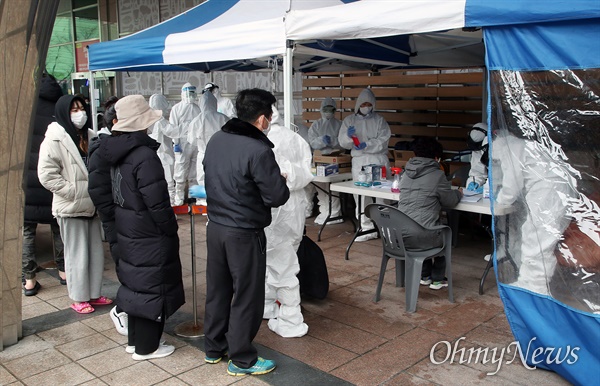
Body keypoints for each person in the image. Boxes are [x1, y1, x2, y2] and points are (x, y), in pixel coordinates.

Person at [202, 88, 289, 376]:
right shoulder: (258, 150)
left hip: (215, 227)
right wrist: (281, 180)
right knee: (246, 294)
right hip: (243, 232)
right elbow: (277, 196)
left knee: (218, 290)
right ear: (263, 119)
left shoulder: (217, 139)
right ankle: (242, 358)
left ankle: (213, 348)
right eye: (271, 115)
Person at [100, 95, 184, 360]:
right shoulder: (144, 155)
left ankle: (135, 342)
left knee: (136, 285)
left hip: (129, 228)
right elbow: (157, 201)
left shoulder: (117, 151)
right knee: (151, 285)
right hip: (149, 232)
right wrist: (170, 227)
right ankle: (147, 348)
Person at [38, 94, 110, 314]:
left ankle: (94, 293)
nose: (80, 114)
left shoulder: (90, 135)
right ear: (64, 112)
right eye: (74, 110)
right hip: (71, 206)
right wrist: (73, 191)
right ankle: (79, 297)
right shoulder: (55, 138)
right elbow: (46, 174)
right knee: (76, 254)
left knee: (95, 253)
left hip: (92, 204)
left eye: (81, 108)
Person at [492, 131, 577, 295]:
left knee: (537, 241)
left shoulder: (509, 149)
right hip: (559, 192)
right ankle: (528, 282)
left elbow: (512, 183)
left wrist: (501, 200)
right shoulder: (523, 145)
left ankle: (536, 288)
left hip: (549, 194)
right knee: (538, 238)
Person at [263, 105, 314, 338]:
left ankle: (290, 318)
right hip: (293, 207)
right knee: (283, 260)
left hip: (273, 208)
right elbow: (306, 173)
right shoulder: (294, 138)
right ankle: (272, 307)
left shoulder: (259, 141)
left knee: (275, 262)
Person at [396, 137, 463, 289]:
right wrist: (459, 193)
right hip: (422, 236)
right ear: (436, 157)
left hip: (400, 235)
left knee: (423, 224)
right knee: (440, 231)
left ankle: (424, 276)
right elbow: (450, 201)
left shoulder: (406, 173)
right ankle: (438, 278)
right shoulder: (437, 175)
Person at [87, 97, 128, 335]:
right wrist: (119, 216)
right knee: (126, 266)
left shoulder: (119, 146)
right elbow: (99, 191)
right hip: (117, 221)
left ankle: (130, 309)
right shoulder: (103, 149)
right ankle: (121, 310)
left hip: (126, 220)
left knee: (134, 267)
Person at [22, 73, 66, 296]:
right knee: (58, 226)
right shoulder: (59, 103)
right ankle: (64, 272)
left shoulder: (22, 104)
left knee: (27, 230)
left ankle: (29, 280)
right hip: (52, 174)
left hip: (25, 180)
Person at [338, 88, 391, 241]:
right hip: (360, 161)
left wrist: (367, 144)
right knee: (361, 195)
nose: (366, 106)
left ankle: (386, 229)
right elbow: (343, 142)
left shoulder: (380, 120)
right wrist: (348, 137)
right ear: (358, 104)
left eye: (369, 103)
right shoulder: (349, 121)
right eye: (363, 103)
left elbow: (384, 139)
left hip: (378, 159)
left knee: (383, 196)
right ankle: (366, 227)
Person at [308, 97, 343, 225]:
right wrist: (322, 140)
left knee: (333, 187)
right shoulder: (316, 125)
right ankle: (324, 211)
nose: (328, 111)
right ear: (321, 109)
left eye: (331, 109)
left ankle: (334, 213)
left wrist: (333, 141)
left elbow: (343, 143)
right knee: (321, 187)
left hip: (335, 159)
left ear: (335, 110)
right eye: (325, 109)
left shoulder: (339, 124)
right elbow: (312, 142)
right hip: (320, 159)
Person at [187, 90, 229, 186]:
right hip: (221, 156)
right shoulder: (223, 118)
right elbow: (230, 138)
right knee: (221, 181)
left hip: (203, 154)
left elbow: (191, 140)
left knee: (202, 182)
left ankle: (203, 201)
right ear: (214, 103)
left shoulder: (196, 120)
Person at [170, 82, 200, 206]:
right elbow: (173, 127)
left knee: (195, 171)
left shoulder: (197, 108)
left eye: (193, 93)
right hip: (182, 143)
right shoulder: (176, 108)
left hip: (195, 143)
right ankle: (179, 197)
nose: (191, 95)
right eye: (189, 92)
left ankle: (193, 196)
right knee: (180, 171)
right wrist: (175, 142)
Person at [148, 93, 176, 205]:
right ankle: (171, 205)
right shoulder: (160, 121)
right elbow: (173, 131)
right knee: (169, 183)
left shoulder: (152, 120)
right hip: (164, 155)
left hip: (157, 155)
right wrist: (187, 127)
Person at [466, 122, 489, 193]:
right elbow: (477, 173)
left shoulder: (500, 148)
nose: (477, 151)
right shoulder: (477, 150)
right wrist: (475, 182)